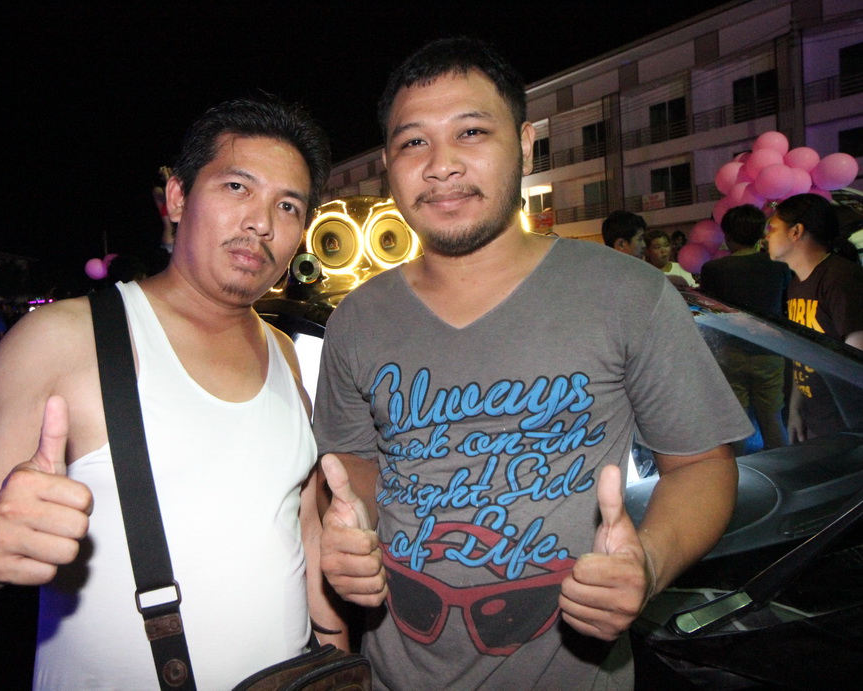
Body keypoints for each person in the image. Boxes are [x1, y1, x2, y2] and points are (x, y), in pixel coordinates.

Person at [314, 37, 750, 690]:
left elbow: (701, 465)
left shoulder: (627, 293)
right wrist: (350, 529)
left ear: (523, 143)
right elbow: (356, 464)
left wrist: (649, 563)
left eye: (470, 132)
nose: (440, 165)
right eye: (413, 142)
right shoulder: (354, 319)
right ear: (387, 165)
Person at [0, 97, 346, 689]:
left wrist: (336, 649)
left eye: (288, 205)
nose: (261, 223)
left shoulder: (285, 353)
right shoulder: (64, 339)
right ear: (177, 197)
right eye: (236, 188)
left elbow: (302, 528)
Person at [766, 193, 863, 441]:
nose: (766, 236)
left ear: (796, 231)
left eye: (772, 228)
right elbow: (803, 351)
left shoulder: (841, 279)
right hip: (817, 417)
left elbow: (856, 361)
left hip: (848, 423)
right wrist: (796, 408)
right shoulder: (797, 284)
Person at [700, 204, 791, 450]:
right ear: (761, 233)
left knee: (737, 423)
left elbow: (710, 313)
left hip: (729, 353)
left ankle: (741, 471)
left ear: (727, 235)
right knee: (772, 419)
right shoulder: (779, 266)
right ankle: (782, 467)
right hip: (770, 351)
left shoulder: (713, 269)